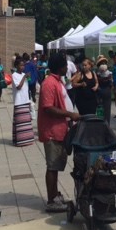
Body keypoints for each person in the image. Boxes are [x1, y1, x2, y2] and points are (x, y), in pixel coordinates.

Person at [37, 53, 80, 212]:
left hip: (61, 129)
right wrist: (70, 114)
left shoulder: (57, 81)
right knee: (52, 166)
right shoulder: (49, 83)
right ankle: (51, 200)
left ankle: (55, 194)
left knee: (56, 165)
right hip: (52, 131)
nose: (67, 68)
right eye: (65, 66)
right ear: (60, 67)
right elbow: (48, 107)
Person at [12, 57, 34, 146]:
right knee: (20, 122)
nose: (22, 67)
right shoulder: (14, 75)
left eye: (23, 65)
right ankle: (20, 140)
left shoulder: (23, 74)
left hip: (25, 100)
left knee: (26, 122)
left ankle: (27, 139)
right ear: (16, 66)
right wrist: (24, 77)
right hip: (19, 101)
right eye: (21, 65)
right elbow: (18, 87)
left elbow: (26, 87)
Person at [95, 56, 113, 124]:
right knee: (100, 109)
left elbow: (111, 84)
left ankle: (107, 124)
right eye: (101, 63)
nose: (103, 65)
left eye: (104, 63)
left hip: (107, 93)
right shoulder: (97, 74)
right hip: (99, 93)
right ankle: (100, 124)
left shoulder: (109, 74)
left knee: (107, 109)